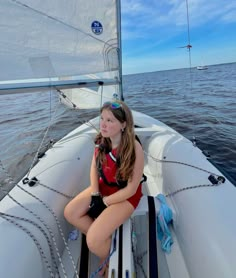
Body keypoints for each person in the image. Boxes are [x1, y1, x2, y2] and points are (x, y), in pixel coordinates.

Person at [64, 100, 144, 276]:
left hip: (125, 196)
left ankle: (103, 252)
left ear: (123, 124)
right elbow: (94, 168)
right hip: (104, 187)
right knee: (70, 212)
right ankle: (104, 244)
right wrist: (94, 194)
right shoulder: (101, 141)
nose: (103, 124)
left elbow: (131, 189)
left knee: (92, 240)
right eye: (102, 118)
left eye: (110, 120)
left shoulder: (134, 147)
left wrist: (104, 202)